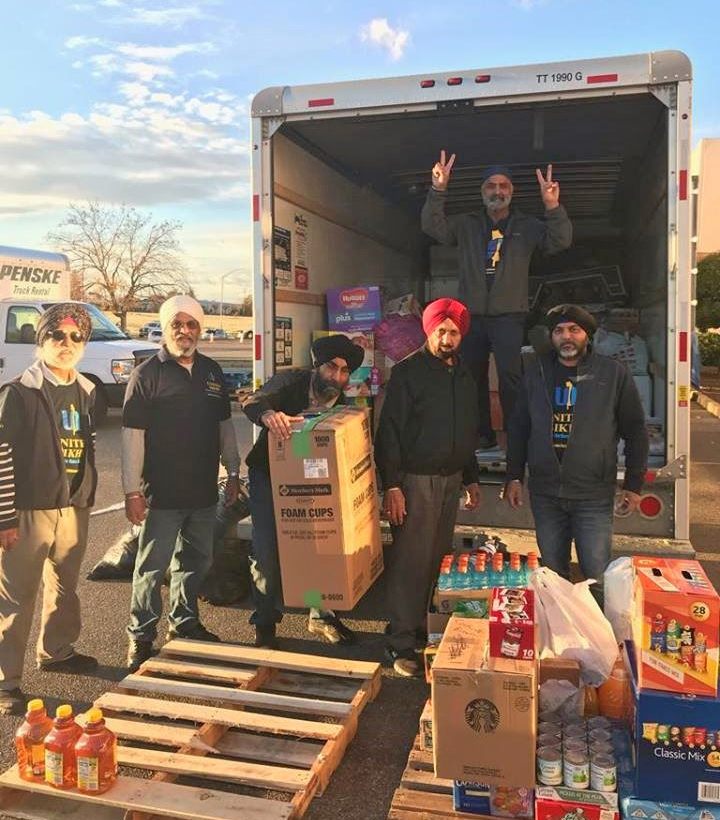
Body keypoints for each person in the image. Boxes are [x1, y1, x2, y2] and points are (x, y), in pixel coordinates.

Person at [422, 152, 572, 449]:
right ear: (483, 192)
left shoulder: (527, 226)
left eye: (504, 186)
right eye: (491, 186)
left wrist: (552, 205)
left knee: (511, 380)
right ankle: (481, 435)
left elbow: (560, 241)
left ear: (511, 192)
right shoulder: (466, 224)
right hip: (472, 317)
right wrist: (438, 189)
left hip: (508, 317)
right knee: (471, 378)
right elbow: (432, 226)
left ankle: (517, 436)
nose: (498, 191)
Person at [122, 295, 240, 673]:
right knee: (151, 568)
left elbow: (224, 425)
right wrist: (131, 491)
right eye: (177, 324)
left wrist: (233, 471)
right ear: (165, 327)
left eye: (191, 325)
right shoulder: (147, 374)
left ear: (199, 329)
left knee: (196, 561)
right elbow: (131, 436)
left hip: (204, 491)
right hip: (161, 493)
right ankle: (140, 637)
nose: (184, 331)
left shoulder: (211, 371)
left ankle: (185, 623)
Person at [504, 304, 649, 606]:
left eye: (574, 330)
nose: (566, 337)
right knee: (553, 579)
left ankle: (600, 645)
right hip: (546, 494)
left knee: (596, 577)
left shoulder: (612, 374)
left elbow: (635, 431)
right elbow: (518, 428)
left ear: (587, 335)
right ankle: (563, 643)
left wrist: (634, 485)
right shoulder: (536, 372)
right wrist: (514, 477)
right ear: (551, 337)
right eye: (559, 331)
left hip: (592, 496)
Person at [0, 304, 98, 715]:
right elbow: (1, 454)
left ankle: (56, 650)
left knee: (64, 584)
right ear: (41, 340)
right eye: (57, 335)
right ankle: (6, 683)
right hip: (28, 509)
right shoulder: (18, 392)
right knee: (15, 597)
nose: (67, 344)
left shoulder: (87, 390)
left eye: (76, 337)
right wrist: (4, 517)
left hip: (73, 507)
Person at [375, 298, 481, 677]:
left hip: (451, 481)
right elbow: (388, 433)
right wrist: (392, 486)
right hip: (416, 483)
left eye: (453, 332)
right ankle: (399, 642)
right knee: (411, 562)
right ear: (429, 330)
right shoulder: (408, 373)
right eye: (441, 331)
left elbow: (466, 430)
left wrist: (471, 476)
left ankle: (425, 631)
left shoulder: (464, 375)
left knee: (438, 562)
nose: (447, 338)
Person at [241, 334, 365, 649]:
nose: (337, 377)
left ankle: (320, 614)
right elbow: (254, 400)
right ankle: (265, 622)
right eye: (331, 368)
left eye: (344, 371)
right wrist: (269, 415)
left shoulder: (345, 403)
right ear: (317, 367)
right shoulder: (292, 381)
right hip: (269, 475)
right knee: (266, 551)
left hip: (318, 482)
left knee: (321, 549)